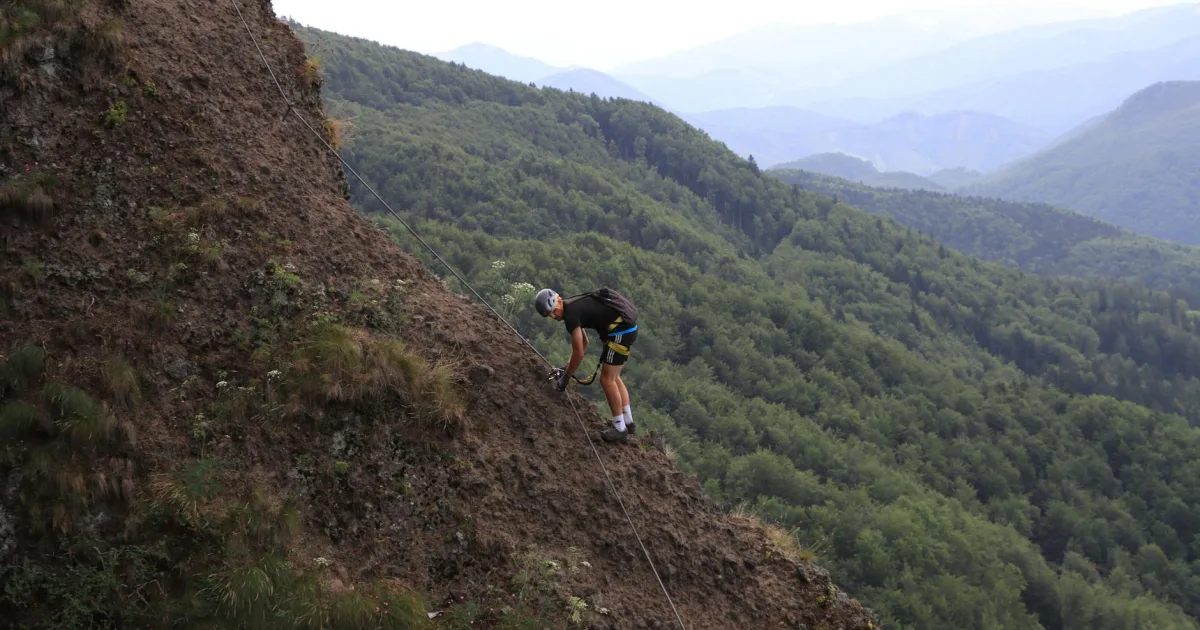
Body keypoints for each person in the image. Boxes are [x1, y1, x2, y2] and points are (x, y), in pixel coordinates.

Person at [535, 287, 639, 443]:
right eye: (549, 315)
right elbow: (584, 344)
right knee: (613, 377)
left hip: (620, 333)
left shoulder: (570, 316)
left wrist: (565, 378)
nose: (553, 315)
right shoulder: (573, 307)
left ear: (558, 301)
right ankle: (628, 422)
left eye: (553, 311)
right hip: (625, 328)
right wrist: (566, 368)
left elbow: (579, 352)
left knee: (607, 379)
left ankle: (619, 428)